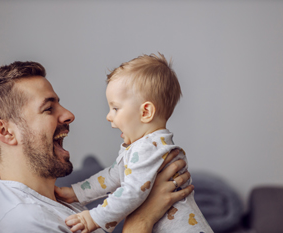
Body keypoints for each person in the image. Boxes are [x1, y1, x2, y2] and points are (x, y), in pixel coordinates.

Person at [0, 61, 194, 233]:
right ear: (6, 132)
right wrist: (142, 219)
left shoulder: (57, 204)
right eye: (48, 108)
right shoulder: (21, 222)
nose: (69, 115)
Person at [56, 53, 213, 233]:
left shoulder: (150, 147)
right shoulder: (143, 147)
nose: (109, 116)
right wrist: (76, 193)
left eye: (115, 108)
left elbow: (132, 193)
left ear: (146, 112)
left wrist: (95, 217)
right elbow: (111, 176)